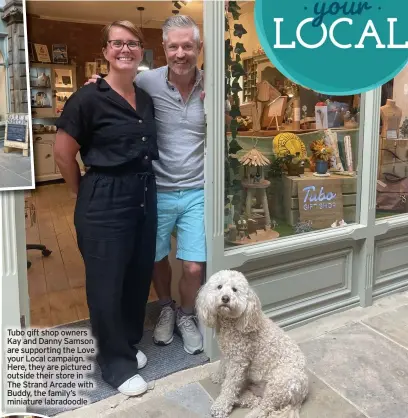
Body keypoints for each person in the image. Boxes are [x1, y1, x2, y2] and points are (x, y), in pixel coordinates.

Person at [88, 15, 206, 356]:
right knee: (155, 258)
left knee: (195, 265)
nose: (180, 53)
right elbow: (114, 89)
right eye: (173, 46)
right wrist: (95, 82)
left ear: (198, 48)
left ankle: (187, 314)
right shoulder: (148, 82)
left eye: (187, 46)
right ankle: (166, 306)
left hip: (197, 190)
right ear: (164, 49)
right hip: (156, 190)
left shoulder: (211, 85)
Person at [54, 20, 159, 396]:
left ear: (140, 51)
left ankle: (127, 345)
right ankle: (114, 365)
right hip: (103, 196)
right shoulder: (87, 98)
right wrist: (80, 192)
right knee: (107, 283)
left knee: (136, 274)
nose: (125, 50)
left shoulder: (144, 96)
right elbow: (63, 154)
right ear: (105, 52)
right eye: (117, 43)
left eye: (132, 43)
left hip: (145, 192)